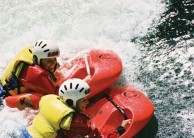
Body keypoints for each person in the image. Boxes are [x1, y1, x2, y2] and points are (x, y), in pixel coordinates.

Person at [27, 78, 130, 138]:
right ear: (71, 101)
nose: (87, 102)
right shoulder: (74, 121)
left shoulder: (50, 99)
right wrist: (120, 129)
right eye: (83, 100)